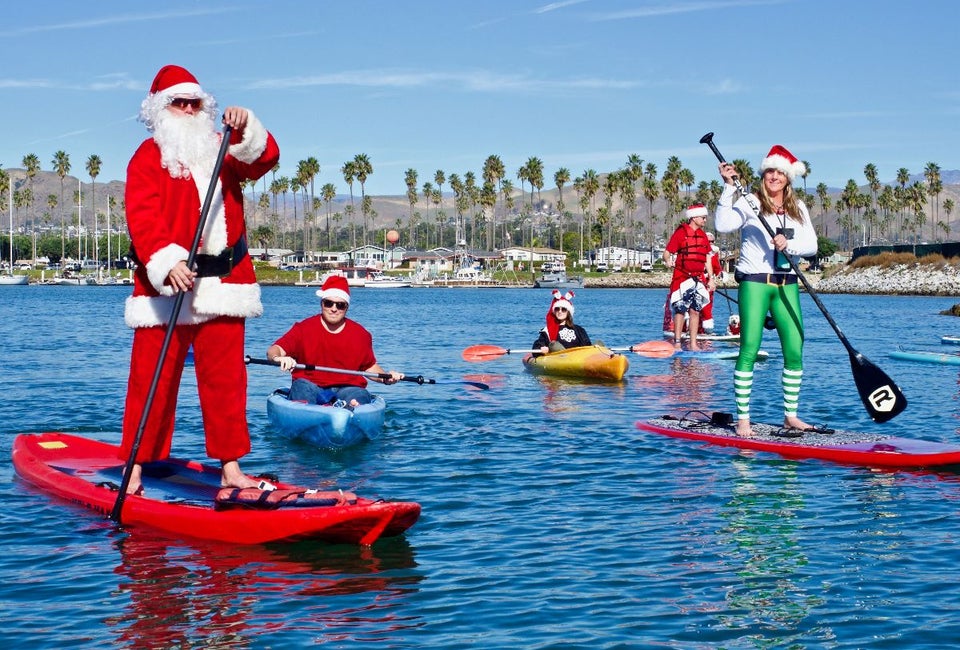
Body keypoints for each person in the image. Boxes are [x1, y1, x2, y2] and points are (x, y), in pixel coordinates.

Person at [120, 64, 280, 495]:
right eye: (179, 102)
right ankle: (134, 468)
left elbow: (265, 159)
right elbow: (142, 217)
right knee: (151, 382)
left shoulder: (221, 147)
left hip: (224, 286)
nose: (189, 110)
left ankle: (231, 470)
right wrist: (165, 262)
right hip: (166, 289)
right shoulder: (146, 158)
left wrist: (247, 127)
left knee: (226, 383)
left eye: (195, 102)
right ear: (160, 109)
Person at [715, 144, 819, 437]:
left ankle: (791, 416)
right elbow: (722, 225)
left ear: (788, 178)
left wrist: (791, 246)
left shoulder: (799, 209)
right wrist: (727, 189)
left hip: (787, 283)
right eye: (769, 171)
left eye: (780, 172)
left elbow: (811, 246)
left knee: (795, 348)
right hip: (755, 283)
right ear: (764, 174)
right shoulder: (749, 202)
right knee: (748, 347)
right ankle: (744, 419)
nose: (774, 176)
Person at [266, 275, 403, 408]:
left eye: (340, 305)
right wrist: (279, 358)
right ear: (322, 304)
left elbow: (368, 367)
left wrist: (386, 378)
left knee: (360, 395)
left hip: (348, 388)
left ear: (346, 308)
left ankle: (348, 409)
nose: (333, 309)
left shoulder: (361, 334)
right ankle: (308, 412)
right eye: (329, 303)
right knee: (301, 387)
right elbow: (274, 350)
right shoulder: (303, 329)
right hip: (309, 385)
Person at [663, 204, 716, 350]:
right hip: (682, 278)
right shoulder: (680, 233)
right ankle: (678, 343)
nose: (705, 220)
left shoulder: (703, 236)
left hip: (698, 279)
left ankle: (693, 344)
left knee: (695, 310)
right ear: (693, 217)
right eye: (703, 217)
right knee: (680, 309)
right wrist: (668, 261)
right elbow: (666, 253)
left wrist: (711, 278)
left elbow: (707, 258)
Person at [533, 290, 591, 354]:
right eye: (557, 309)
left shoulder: (579, 330)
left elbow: (587, 345)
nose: (560, 311)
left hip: (577, 358)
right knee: (554, 345)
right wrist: (541, 348)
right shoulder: (548, 330)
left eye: (563, 309)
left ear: (568, 312)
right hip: (559, 358)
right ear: (554, 312)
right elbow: (537, 345)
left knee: (598, 343)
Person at [699, 231, 725, 334]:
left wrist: (721, 274)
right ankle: (693, 328)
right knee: (696, 307)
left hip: (709, 285)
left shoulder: (714, 254)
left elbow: (717, 268)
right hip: (698, 282)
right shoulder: (699, 251)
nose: (710, 243)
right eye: (708, 241)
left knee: (707, 306)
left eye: (712, 241)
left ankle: (706, 329)